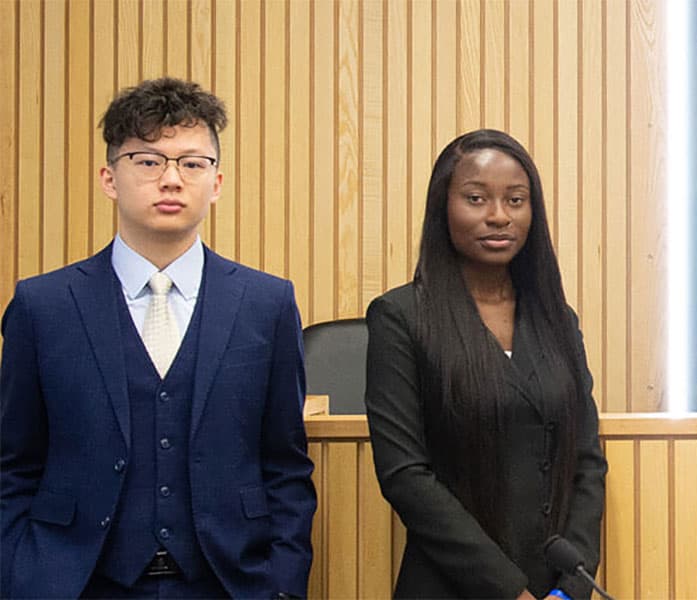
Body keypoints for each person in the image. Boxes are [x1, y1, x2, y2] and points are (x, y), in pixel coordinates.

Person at [0, 77, 317, 598]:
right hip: (75, 581)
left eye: (192, 163)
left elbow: (284, 466)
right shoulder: (43, 306)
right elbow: (15, 463)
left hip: (230, 582)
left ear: (216, 183)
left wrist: (280, 584)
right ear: (109, 177)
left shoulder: (267, 304)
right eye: (148, 161)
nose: (171, 179)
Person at [365, 129, 607, 599]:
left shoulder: (557, 319)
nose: (499, 216)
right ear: (444, 207)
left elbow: (587, 461)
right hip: (448, 586)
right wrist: (508, 591)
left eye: (516, 200)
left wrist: (572, 587)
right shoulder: (401, 317)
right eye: (476, 199)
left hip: (552, 586)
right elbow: (405, 476)